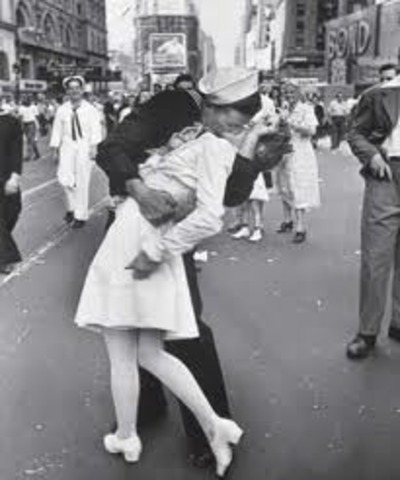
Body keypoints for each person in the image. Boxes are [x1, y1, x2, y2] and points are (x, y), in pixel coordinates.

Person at [75, 68, 266, 477]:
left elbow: (230, 196)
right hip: (137, 222)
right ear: (211, 103)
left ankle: (204, 430)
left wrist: (247, 151)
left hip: (168, 236)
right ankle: (143, 414)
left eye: (244, 122)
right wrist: (139, 189)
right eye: (232, 118)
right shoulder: (172, 104)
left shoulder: (227, 137)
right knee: (137, 333)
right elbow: (112, 148)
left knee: (178, 329)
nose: (234, 126)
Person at [346, 68, 400, 360]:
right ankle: (367, 332)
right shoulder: (379, 94)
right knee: (376, 257)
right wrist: (372, 155)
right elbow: (355, 133)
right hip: (387, 175)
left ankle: (398, 323)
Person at [50, 76, 103, 229]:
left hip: (84, 147)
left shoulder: (91, 109)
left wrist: (94, 147)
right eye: (71, 88)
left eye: (77, 88)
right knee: (63, 178)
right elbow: (57, 130)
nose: (74, 91)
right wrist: (55, 150)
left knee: (82, 181)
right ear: (67, 91)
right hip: (67, 146)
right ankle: (71, 207)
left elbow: (96, 130)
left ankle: (80, 215)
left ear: (82, 89)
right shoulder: (62, 109)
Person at [275, 82, 320, 243]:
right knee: (284, 186)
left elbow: (311, 131)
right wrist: (279, 123)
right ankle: (287, 220)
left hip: (300, 152)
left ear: (298, 93)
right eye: (285, 92)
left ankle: (300, 227)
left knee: (298, 187)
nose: (288, 95)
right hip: (284, 151)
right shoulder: (283, 108)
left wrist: (291, 123)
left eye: (291, 92)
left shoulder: (306, 108)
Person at [0, 102, 23, 274]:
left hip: (7, 178)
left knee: (13, 212)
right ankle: (7, 258)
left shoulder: (11, 122)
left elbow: (17, 151)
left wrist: (15, 177)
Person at [19, 96, 40, 161]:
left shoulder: (33, 107)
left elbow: (37, 116)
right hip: (25, 124)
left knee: (29, 140)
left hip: (31, 124)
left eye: (28, 100)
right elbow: (20, 117)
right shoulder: (21, 108)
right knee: (30, 140)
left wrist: (37, 125)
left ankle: (28, 156)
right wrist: (21, 126)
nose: (27, 101)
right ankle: (37, 154)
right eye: (25, 100)